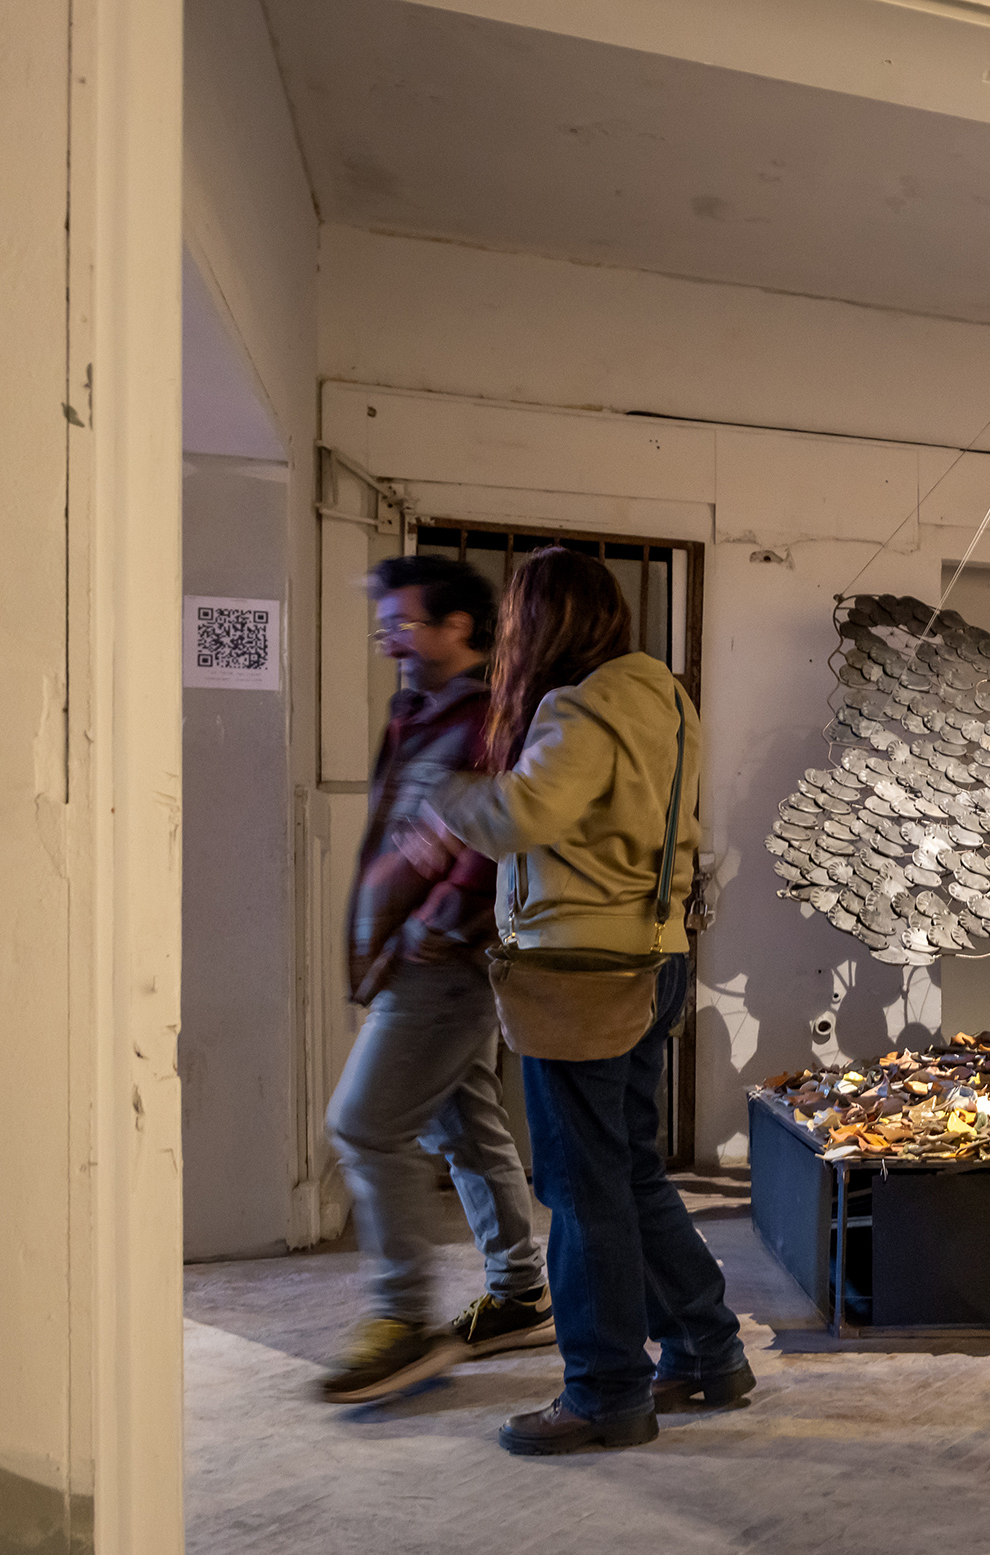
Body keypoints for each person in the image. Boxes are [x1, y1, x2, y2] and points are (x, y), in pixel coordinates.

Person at [419, 546, 744, 1455]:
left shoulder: (578, 705)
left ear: (544, 620)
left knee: (579, 1187)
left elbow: (522, 815)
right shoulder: (665, 697)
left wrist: (437, 786)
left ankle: (605, 1392)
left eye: (514, 619)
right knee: (630, 1171)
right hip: (654, 953)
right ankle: (707, 1349)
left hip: (580, 970)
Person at [318, 556, 553, 1405]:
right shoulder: (412, 713)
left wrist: (429, 930)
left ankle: (404, 1320)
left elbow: (489, 840)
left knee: (365, 1124)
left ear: (458, 627)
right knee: (465, 1124)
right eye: (386, 623)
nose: (388, 638)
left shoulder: (490, 720)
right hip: (410, 953)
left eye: (404, 623)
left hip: (445, 961)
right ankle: (519, 1292)